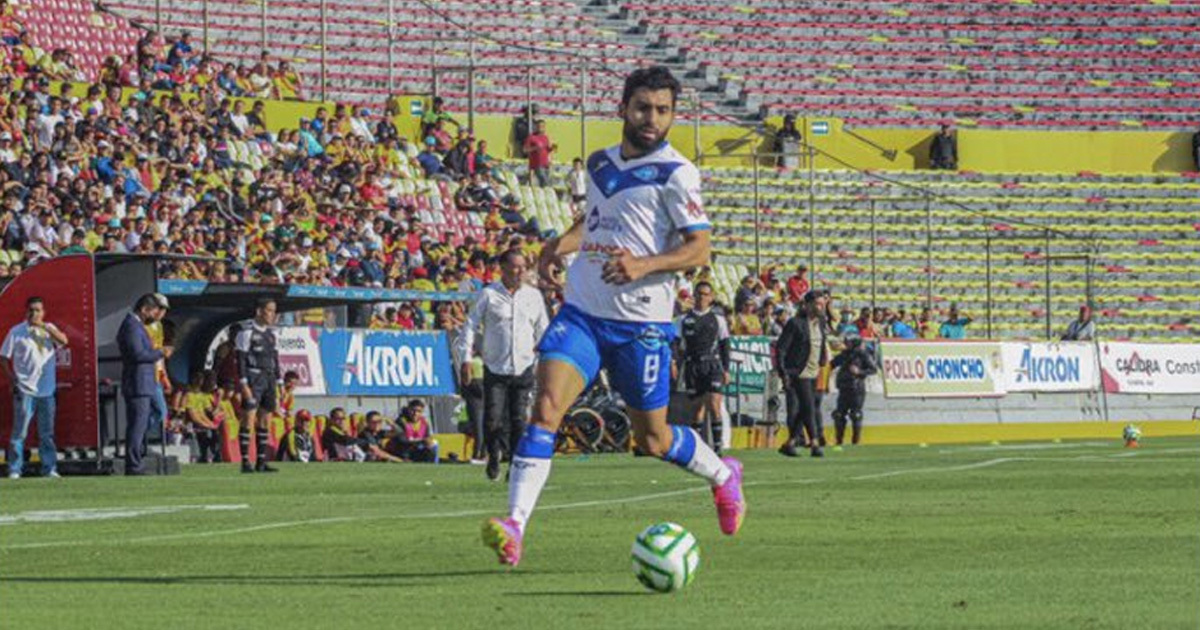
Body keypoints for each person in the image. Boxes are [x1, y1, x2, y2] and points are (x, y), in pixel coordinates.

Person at [481, 67, 744, 568]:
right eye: (643, 107)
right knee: (546, 410)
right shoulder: (601, 164)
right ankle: (514, 525)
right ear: (622, 107)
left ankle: (723, 475)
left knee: (653, 439)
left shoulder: (676, 172)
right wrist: (559, 244)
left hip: (641, 326)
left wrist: (643, 265)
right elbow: (598, 221)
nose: (652, 119)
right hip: (582, 312)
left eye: (663, 111)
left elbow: (699, 249)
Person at [456, 249, 549, 481]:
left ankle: (515, 465)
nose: (520, 272)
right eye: (515, 267)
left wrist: (544, 359)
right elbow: (470, 326)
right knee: (492, 418)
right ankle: (494, 455)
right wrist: (465, 359)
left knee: (519, 419)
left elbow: (543, 330)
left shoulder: (533, 296)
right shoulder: (488, 295)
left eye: (523, 267)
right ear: (503, 268)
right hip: (495, 366)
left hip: (524, 366)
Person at [2, 296, 68, 479]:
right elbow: (3, 356)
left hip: (47, 390)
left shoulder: (49, 328)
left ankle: (49, 468)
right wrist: (12, 379)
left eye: (38, 310)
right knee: (19, 432)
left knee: (47, 433)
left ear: (43, 312)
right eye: (31, 310)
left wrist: (46, 328)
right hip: (25, 389)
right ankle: (15, 469)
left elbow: (64, 341)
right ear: (26, 311)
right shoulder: (17, 331)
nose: (34, 313)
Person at [117, 293, 172, 475]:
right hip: (137, 382)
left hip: (143, 382)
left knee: (142, 422)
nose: (155, 315)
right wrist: (160, 353)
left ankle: (136, 459)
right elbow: (138, 355)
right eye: (153, 311)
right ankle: (133, 464)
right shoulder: (132, 326)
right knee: (137, 424)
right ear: (144, 309)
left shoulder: (137, 325)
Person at [675, 281, 730, 451]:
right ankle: (699, 448)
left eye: (705, 294)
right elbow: (676, 346)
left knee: (714, 403)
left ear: (711, 297)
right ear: (694, 295)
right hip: (693, 366)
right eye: (699, 293)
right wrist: (674, 364)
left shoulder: (718, 320)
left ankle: (718, 446)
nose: (701, 297)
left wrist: (726, 369)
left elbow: (725, 345)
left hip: (712, 365)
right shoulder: (683, 320)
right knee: (697, 409)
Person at [775, 291, 829, 458]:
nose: (820, 307)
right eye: (817, 304)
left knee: (805, 408)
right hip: (798, 371)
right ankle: (814, 441)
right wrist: (783, 372)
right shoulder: (795, 323)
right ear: (807, 305)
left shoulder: (820, 322)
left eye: (822, 304)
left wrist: (822, 360)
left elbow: (821, 343)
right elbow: (781, 348)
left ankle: (790, 442)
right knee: (809, 406)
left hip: (813, 370)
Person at [235, 298, 281, 473]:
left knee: (265, 420)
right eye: (269, 310)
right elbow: (240, 361)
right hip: (253, 379)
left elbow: (275, 359)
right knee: (248, 419)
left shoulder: (271, 334)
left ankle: (261, 462)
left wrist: (279, 382)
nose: (272, 314)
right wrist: (244, 384)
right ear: (259, 311)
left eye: (274, 310)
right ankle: (245, 462)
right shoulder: (246, 333)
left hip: (268, 379)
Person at [830, 333, 877, 447]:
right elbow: (831, 364)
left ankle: (855, 441)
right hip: (843, 387)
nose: (846, 344)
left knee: (856, 414)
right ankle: (839, 440)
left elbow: (873, 369)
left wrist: (859, 372)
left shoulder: (862, 355)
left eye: (849, 342)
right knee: (839, 414)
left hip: (857, 388)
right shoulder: (844, 354)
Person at [388, 399, 439, 463]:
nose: (415, 413)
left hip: (416, 449)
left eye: (419, 411)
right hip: (402, 451)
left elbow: (427, 437)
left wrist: (428, 441)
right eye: (413, 410)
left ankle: (433, 465)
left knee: (433, 445)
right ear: (408, 410)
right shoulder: (401, 421)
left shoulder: (424, 422)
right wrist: (421, 441)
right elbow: (402, 440)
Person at [522, 119, 556, 187]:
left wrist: (551, 148)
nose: (541, 128)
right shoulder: (531, 137)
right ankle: (547, 194)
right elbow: (524, 150)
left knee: (545, 182)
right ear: (536, 127)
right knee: (544, 180)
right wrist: (535, 148)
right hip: (537, 164)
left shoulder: (546, 137)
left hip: (546, 164)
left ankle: (544, 195)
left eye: (542, 126)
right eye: (539, 126)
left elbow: (547, 150)